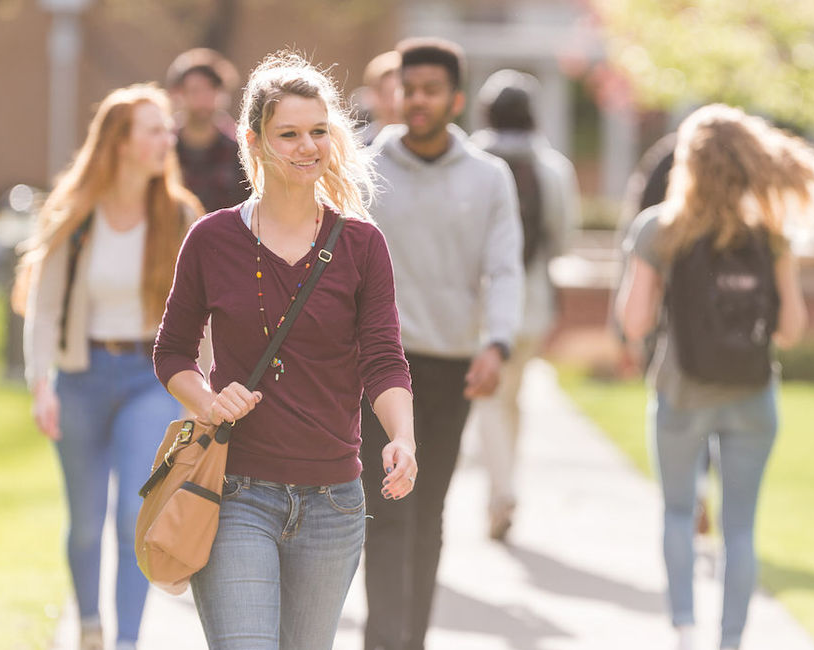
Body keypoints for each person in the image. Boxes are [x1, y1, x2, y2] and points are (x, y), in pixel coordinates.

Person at [151, 51, 418, 649]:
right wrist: (208, 401)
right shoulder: (211, 239)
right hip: (237, 490)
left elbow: (383, 357)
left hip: (334, 503)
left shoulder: (362, 245)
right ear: (254, 142)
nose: (307, 147)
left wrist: (401, 436)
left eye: (319, 132)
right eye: (289, 134)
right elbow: (172, 352)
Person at [616, 104, 814, 650]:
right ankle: (732, 641)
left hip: (681, 392)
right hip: (753, 395)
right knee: (739, 528)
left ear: (688, 163)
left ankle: (684, 632)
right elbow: (791, 329)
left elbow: (635, 322)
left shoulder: (659, 230)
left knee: (677, 512)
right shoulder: (770, 234)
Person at [14, 84, 204, 650]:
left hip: (148, 379)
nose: (166, 139)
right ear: (120, 142)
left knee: (132, 516)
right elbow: (44, 311)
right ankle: (89, 626)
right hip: (81, 379)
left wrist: (204, 394)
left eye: (168, 129)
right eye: (154, 130)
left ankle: (125, 642)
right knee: (86, 522)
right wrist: (40, 385)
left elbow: (205, 312)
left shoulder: (179, 214)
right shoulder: (75, 213)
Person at [359, 37, 524, 650]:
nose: (418, 100)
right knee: (385, 512)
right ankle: (381, 640)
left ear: (456, 99)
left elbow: (504, 268)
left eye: (431, 90)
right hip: (376, 368)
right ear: (395, 92)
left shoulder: (489, 177)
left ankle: (411, 641)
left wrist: (497, 343)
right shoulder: (362, 167)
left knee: (427, 514)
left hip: (451, 364)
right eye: (409, 88)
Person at [467, 68, 581, 541]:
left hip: (476, 300)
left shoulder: (469, 159)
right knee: (510, 398)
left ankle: (502, 490)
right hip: (531, 302)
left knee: (487, 398)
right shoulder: (552, 168)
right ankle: (506, 487)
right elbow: (563, 241)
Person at [166, 47, 249, 212]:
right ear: (178, 94)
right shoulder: (164, 147)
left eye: (211, 89)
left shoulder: (242, 150)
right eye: (195, 90)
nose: (204, 98)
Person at [356, 50, 402, 146]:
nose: (394, 105)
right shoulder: (355, 147)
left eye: (402, 95)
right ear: (371, 96)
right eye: (387, 95)